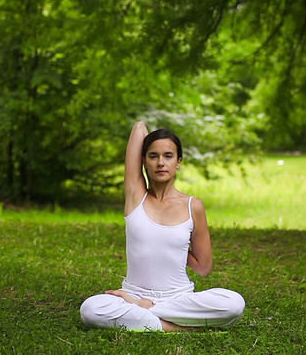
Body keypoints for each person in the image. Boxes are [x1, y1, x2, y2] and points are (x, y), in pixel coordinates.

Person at [80, 121, 245, 331]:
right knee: (91, 309)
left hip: (178, 298)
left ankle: (147, 312)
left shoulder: (193, 206)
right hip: (133, 294)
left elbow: (203, 268)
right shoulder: (136, 197)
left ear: (178, 162)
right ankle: (180, 327)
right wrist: (135, 300)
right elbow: (139, 127)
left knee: (233, 303)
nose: (160, 162)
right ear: (143, 161)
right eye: (153, 156)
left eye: (168, 156)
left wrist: (174, 245)